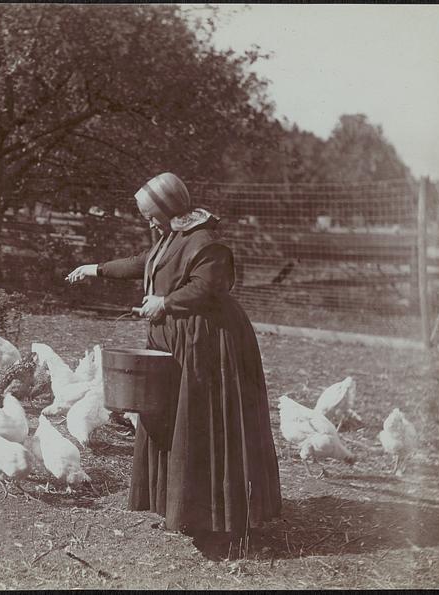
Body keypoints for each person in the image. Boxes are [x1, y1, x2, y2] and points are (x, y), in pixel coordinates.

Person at [66, 172, 282, 552]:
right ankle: (183, 509)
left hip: (208, 345)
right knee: (174, 422)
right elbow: (142, 263)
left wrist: (165, 302)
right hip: (178, 340)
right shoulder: (171, 236)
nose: (148, 221)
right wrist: (96, 268)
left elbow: (208, 287)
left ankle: (219, 521)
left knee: (202, 423)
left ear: (168, 208)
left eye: (151, 214)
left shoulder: (204, 241)